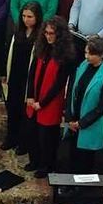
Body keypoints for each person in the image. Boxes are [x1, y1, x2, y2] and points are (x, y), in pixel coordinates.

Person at [25, 16, 76, 179]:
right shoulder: (42, 48)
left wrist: (43, 103)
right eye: (46, 33)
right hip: (35, 99)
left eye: (51, 33)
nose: (48, 36)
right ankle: (34, 161)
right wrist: (30, 95)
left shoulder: (65, 56)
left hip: (51, 102)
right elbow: (32, 72)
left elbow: (59, 84)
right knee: (32, 133)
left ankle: (46, 165)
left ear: (59, 35)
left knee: (46, 137)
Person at [65, 36, 103, 173]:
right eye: (86, 52)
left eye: (91, 54)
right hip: (74, 121)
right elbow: (72, 89)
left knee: (84, 163)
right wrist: (69, 117)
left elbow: (102, 107)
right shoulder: (83, 65)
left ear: (102, 55)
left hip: (89, 125)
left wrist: (81, 123)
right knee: (71, 158)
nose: (86, 57)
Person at [0, 1, 42, 152]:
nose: (26, 20)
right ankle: (11, 138)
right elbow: (8, 52)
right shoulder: (17, 31)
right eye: (24, 16)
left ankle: (23, 143)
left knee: (26, 113)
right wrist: (4, 73)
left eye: (30, 17)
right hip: (15, 76)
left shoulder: (40, 36)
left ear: (37, 17)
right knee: (12, 109)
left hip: (29, 78)